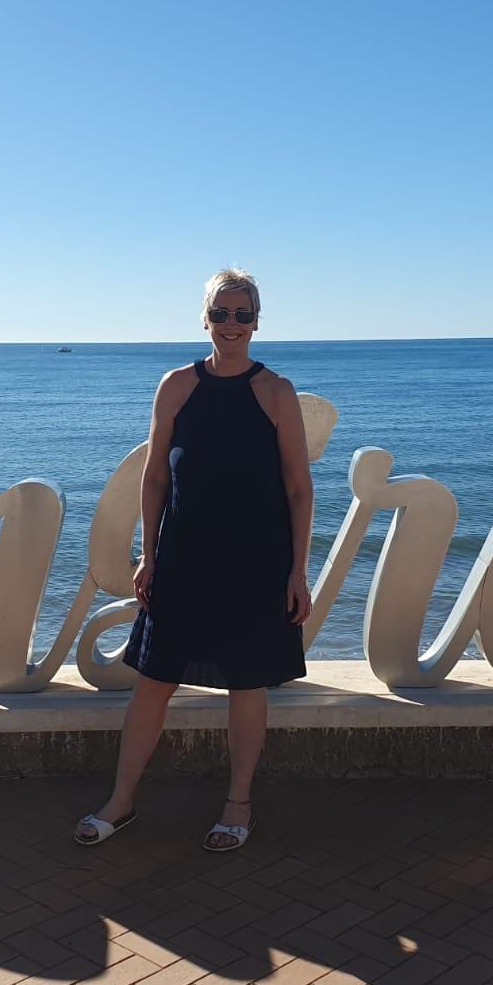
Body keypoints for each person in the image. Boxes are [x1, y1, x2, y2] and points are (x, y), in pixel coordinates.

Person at [74, 268, 313, 852]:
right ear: (205, 319)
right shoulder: (177, 385)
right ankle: (121, 801)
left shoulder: (276, 391)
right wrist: (148, 554)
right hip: (183, 557)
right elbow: (155, 476)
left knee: (246, 685)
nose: (232, 325)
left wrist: (297, 571)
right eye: (221, 314)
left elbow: (299, 488)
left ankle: (238, 804)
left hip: (256, 562)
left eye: (243, 314)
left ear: (256, 321)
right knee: (153, 681)